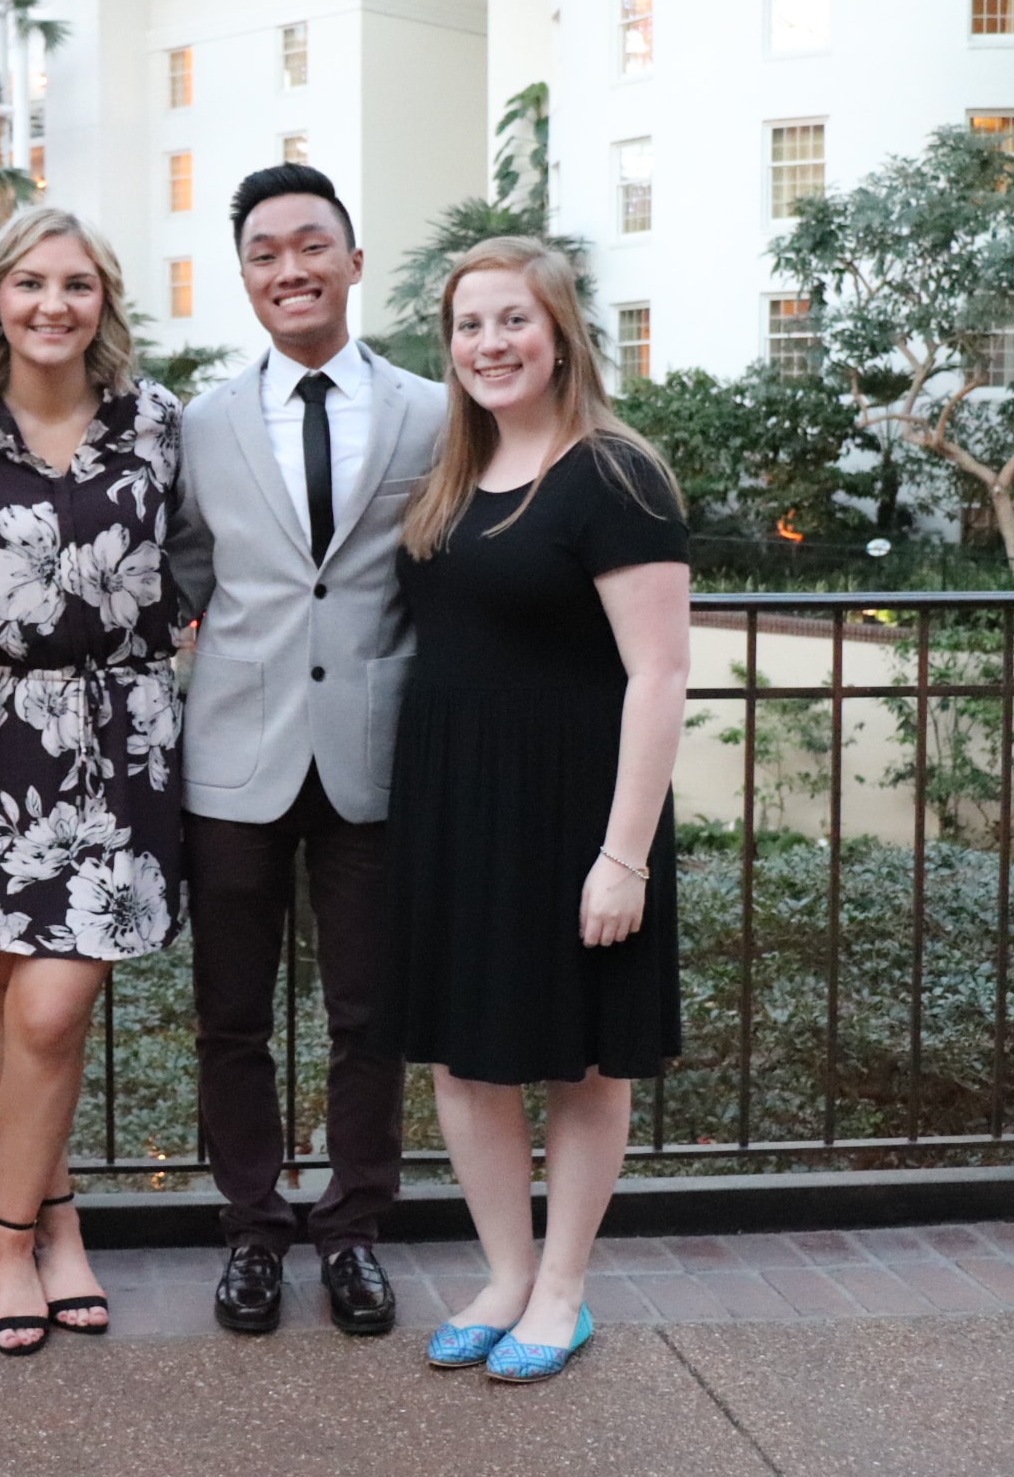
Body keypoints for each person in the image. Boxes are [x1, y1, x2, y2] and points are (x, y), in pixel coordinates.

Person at [393, 236, 691, 1383]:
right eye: (470, 326)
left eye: (512, 320)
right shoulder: (453, 472)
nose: (489, 344)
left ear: (560, 332)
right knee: (465, 1063)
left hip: (575, 811)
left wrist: (623, 857)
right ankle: (506, 1274)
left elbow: (659, 674)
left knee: (580, 1062)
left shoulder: (616, 474)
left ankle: (563, 1288)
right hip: (457, 808)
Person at [168, 164, 448, 1337]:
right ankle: (249, 1226)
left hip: (373, 757)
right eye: (267, 253)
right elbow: (188, 565)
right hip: (236, 750)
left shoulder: (433, 413)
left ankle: (353, 1230)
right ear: (245, 279)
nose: (291, 268)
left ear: (352, 257)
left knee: (367, 1013)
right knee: (231, 1011)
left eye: (311, 245)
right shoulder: (204, 421)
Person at [0, 206, 185, 1356]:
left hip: (124, 736)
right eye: (30, 283)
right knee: (10, 1007)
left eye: (76, 285)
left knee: (51, 1003)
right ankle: (62, 1223)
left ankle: (5, 1235)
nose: (52, 306)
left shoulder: (156, 421)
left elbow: (204, 563)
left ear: (104, 302)